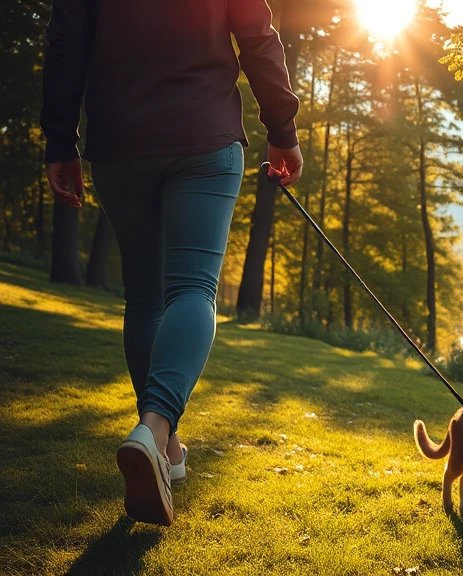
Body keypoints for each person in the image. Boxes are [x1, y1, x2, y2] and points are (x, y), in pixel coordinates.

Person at [41, 0, 303, 526]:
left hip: (120, 142)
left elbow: (67, 42)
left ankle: (167, 450)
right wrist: (283, 130)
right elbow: (258, 36)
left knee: (143, 297)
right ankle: (156, 428)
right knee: (191, 291)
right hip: (204, 136)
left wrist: (60, 140)